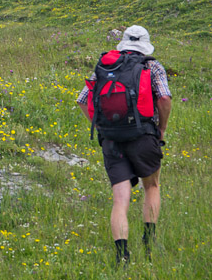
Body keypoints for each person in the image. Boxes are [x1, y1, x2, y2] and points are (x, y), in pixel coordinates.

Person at [76, 25, 172, 265]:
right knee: (151, 187)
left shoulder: (105, 66)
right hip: (144, 136)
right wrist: (161, 128)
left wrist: (99, 125)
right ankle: (149, 242)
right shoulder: (152, 66)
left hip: (112, 140)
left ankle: (122, 256)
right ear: (145, 45)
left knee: (120, 199)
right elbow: (164, 98)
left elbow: (82, 99)